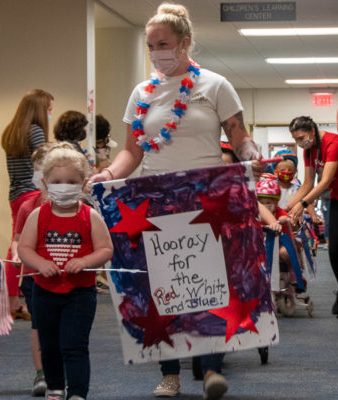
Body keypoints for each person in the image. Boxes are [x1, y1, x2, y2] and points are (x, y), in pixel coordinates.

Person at [90, 3, 262, 399]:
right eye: (150, 46)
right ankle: (170, 373)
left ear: (184, 43)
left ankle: (212, 369)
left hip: (207, 197)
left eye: (163, 44)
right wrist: (109, 174)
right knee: (166, 286)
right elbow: (132, 152)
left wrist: (251, 154)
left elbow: (238, 136)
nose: (156, 53)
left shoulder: (215, 85)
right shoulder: (142, 93)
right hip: (156, 199)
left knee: (208, 282)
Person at [18, 143, 113, 400]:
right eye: (58, 181)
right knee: (49, 345)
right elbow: (24, 248)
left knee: (74, 346)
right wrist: (39, 263)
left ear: (83, 184)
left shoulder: (90, 216)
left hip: (80, 294)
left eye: (72, 181)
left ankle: (78, 393)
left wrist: (85, 260)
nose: (64, 185)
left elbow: (106, 249)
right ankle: (56, 388)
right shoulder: (38, 215)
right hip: (44, 292)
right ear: (46, 184)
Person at [1, 89, 54, 314]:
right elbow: (46, 161)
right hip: (32, 193)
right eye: (49, 109)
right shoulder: (36, 131)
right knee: (28, 247)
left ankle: (11, 298)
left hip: (16, 194)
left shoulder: (12, 131)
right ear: (40, 110)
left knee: (16, 244)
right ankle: (19, 300)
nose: (51, 113)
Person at [10, 143, 53, 396]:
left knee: (62, 328)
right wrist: (17, 252)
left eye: (44, 170)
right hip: (34, 278)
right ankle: (41, 375)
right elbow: (17, 238)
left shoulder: (77, 207)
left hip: (64, 277)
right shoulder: (28, 206)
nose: (40, 177)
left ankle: (60, 372)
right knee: (39, 325)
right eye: (36, 171)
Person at [286, 116, 338, 314]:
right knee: (334, 250)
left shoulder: (333, 143)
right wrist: (287, 207)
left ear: (312, 131)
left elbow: (324, 181)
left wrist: (303, 204)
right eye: (296, 139)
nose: (300, 143)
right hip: (336, 197)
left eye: (301, 137)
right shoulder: (309, 150)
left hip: (331, 191)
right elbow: (307, 184)